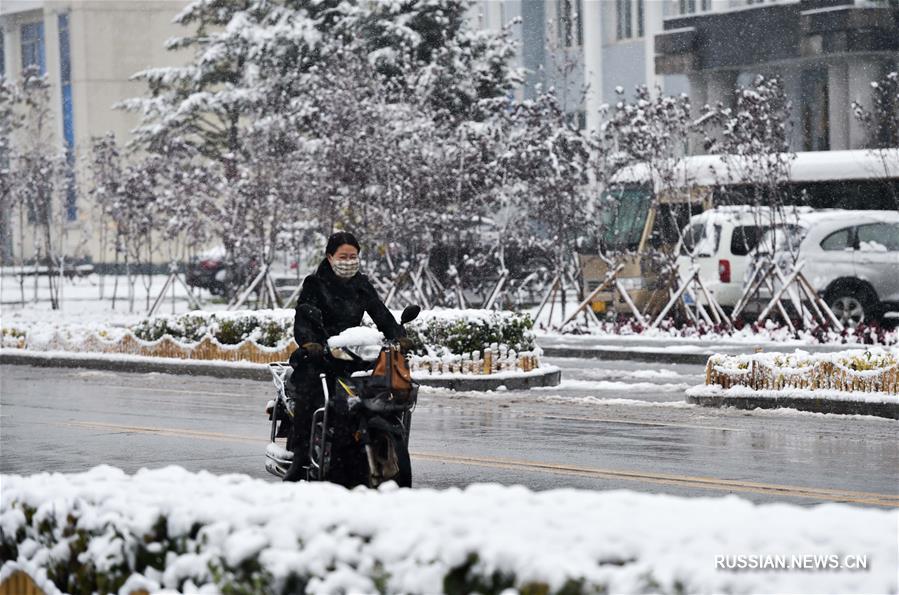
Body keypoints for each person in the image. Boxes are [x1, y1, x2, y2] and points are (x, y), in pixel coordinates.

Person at [282, 231, 408, 482]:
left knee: (386, 386)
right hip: (322, 351)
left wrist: (399, 335)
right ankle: (300, 457)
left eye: (354, 256)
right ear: (330, 257)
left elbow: (380, 313)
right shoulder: (314, 283)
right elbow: (304, 318)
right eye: (343, 256)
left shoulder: (361, 284)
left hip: (353, 350)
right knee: (310, 390)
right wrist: (310, 342)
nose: (349, 261)